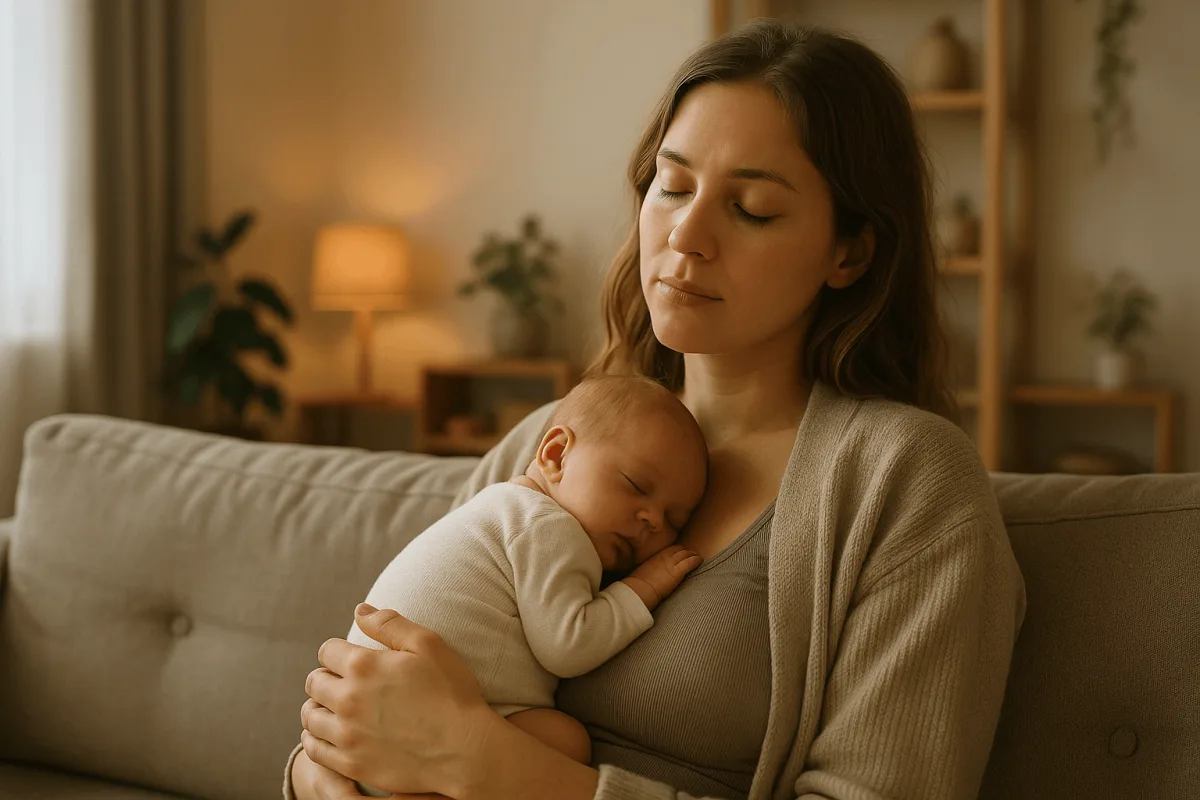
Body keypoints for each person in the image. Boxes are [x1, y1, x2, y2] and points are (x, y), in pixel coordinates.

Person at [288, 18, 1026, 800]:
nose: (687, 234)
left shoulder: (905, 481)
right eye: (672, 187)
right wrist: (317, 775)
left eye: (752, 209)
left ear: (850, 252)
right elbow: (360, 697)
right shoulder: (552, 440)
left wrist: (489, 765)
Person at [344, 375, 708, 796]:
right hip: (410, 719)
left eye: (675, 520)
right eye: (636, 486)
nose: (654, 520)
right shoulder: (551, 527)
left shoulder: (500, 505)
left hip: (365, 722)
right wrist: (643, 587)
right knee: (568, 740)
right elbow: (568, 646)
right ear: (556, 455)